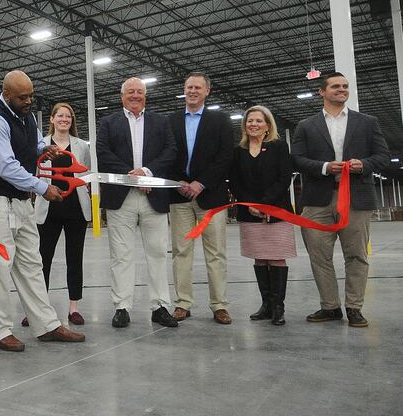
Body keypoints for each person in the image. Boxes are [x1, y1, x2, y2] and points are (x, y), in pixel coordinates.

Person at [0, 70, 85, 352]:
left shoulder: (28, 117)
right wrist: (42, 188)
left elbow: (32, 145)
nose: (29, 101)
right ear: (6, 94)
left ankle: (46, 325)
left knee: (32, 264)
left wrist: (43, 150)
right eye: (23, 97)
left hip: (20, 201)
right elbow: (6, 166)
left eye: (31, 95)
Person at [291, 72, 390, 328]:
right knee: (319, 256)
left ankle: (354, 307)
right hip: (316, 201)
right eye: (336, 86)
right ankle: (330, 306)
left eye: (345, 86)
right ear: (322, 92)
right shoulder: (306, 125)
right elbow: (297, 159)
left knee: (356, 255)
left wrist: (363, 164)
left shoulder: (367, 122)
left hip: (356, 199)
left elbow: (382, 156)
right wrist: (324, 166)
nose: (342, 90)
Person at [96, 77, 178, 329]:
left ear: (145, 95)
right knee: (121, 255)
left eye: (139, 92)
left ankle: (160, 306)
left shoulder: (161, 122)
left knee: (157, 253)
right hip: (121, 196)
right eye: (130, 92)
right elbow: (102, 152)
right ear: (122, 96)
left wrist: (147, 172)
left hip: (153, 195)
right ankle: (122, 307)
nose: (135, 95)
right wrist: (131, 175)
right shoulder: (108, 122)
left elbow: (171, 151)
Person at [167, 72, 234, 325]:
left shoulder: (220, 119)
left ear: (207, 91)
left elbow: (225, 156)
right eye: (188, 87)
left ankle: (219, 305)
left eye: (197, 87)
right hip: (180, 196)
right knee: (181, 251)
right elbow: (167, 155)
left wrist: (201, 183)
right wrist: (180, 182)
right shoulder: (171, 121)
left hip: (212, 196)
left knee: (215, 253)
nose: (192, 91)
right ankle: (183, 303)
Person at [229, 105, 295, 326]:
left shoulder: (278, 146)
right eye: (250, 121)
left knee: (276, 256)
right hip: (249, 212)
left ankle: (278, 307)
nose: (253, 124)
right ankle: (266, 305)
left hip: (276, 210)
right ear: (244, 125)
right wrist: (250, 204)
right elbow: (235, 180)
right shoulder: (238, 150)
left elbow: (284, 178)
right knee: (259, 256)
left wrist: (265, 203)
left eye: (258, 121)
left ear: (268, 125)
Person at [33, 102, 92, 325]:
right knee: (42, 260)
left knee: (74, 259)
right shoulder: (42, 145)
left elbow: (86, 173)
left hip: (76, 208)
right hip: (48, 208)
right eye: (60, 116)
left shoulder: (81, 146)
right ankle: (38, 308)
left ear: (72, 121)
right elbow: (35, 172)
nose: (64, 119)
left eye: (68, 116)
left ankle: (73, 307)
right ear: (52, 119)